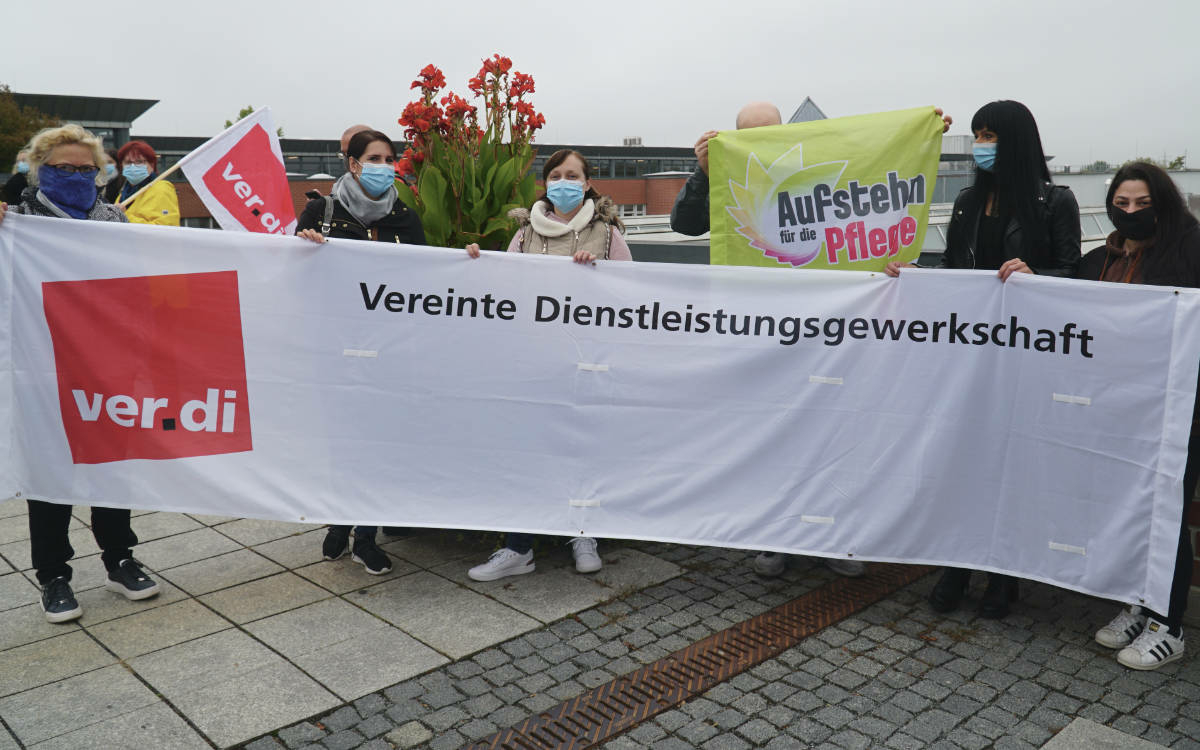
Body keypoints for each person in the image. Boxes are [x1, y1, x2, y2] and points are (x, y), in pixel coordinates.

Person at [886, 99, 1081, 619]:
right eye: (977, 135)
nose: (981, 145)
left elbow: (1074, 276)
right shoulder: (970, 200)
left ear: (1015, 140)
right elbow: (953, 268)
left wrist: (1037, 279)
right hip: (971, 357)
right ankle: (958, 560)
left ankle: (1002, 571)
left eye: (990, 134)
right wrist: (914, 277)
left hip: (1024, 358)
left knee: (1010, 463)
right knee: (964, 460)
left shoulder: (1054, 201)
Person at [0, 124, 159, 623]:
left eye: (85, 170)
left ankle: (120, 559)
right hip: (42, 369)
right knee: (50, 473)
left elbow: (137, 287)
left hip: (106, 367)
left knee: (112, 467)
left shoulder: (113, 218)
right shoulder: (18, 220)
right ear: (38, 168)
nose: (75, 176)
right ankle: (54, 576)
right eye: (63, 169)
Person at [463, 148, 631, 580]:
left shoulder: (608, 234)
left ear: (588, 183)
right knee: (528, 449)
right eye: (555, 174)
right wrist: (477, 263)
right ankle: (519, 547)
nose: (563, 181)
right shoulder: (523, 234)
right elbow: (504, 291)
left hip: (585, 360)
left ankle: (583, 533)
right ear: (545, 183)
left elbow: (632, 294)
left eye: (572, 175)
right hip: (534, 359)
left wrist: (598, 275)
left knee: (581, 445)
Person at [1080, 162, 1200, 669]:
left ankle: (1169, 625)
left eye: (1142, 204)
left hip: (1178, 407)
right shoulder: (1104, 256)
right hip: (1122, 407)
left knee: (1166, 510)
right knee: (1130, 507)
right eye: (1121, 204)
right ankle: (1139, 602)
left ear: (1163, 204)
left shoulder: (1191, 249)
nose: (1129, 213)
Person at [297, 128, 426, 573]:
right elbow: (291, 279)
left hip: (386, 351)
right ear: (353, 164)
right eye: (375, 158)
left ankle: (365, 536)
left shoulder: (405, 219)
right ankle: (338, 521)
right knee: (339, 442)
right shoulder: (321, 210)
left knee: (377, 444)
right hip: (334, 349)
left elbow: (425, 284)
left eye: (390, 159)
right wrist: (302, 248)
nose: (385, 167)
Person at [116, 140, 180, 226]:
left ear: (152, 165)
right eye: (128, 162)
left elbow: (167, 228)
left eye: (139, 162)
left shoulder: (161, 189)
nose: (133, 166)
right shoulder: (123, 193)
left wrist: (125, 216)